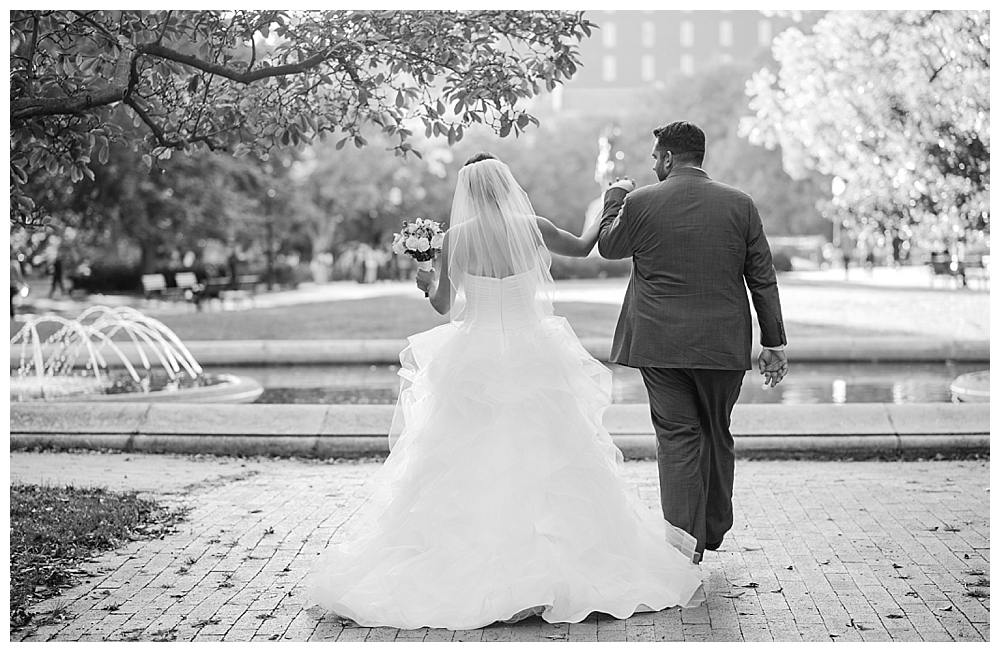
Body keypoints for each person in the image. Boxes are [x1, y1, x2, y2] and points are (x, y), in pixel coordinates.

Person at [306, 153, 707, 630]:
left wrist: (425, 281)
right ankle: (551, 570)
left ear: (469, 195)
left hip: (472, 357)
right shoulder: (531, 225)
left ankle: (479, 567)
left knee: (458, 455)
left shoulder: (455, 238)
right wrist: (609, 199)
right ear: (506, 186)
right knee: (550, 452)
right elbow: (583, 249)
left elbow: (442, 306)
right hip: (531, 350)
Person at [598, 121, 788, 564]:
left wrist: (614, 198)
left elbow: (608, 246)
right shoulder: (740, 204)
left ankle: (686, 546)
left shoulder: (640, 201)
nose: (652, 164)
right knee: (716, 432)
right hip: (722, 346)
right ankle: (715, 525)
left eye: (654, 157)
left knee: (678, 436)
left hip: (660, 345)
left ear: (667, 158)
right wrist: (773, 342)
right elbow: (762, 276)